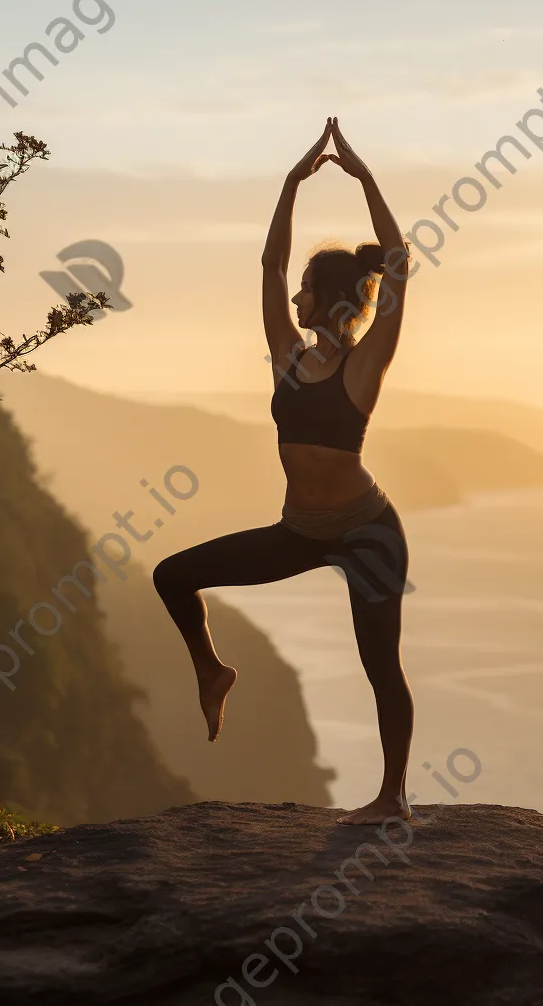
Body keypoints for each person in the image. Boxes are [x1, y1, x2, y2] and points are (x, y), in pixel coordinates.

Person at [153, 118, 415, 826]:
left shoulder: (365, 365)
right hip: (299, 532)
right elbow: (269, 266)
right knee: (171, 576)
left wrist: (364, 178)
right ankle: (213, 669)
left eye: (305, 294)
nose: (293, 303)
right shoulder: (287, 357)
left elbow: (398, 265)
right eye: (293, 296)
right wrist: (289, 185)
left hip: (367, 533)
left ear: (327, 299)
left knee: (381, 665)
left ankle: (392, 798)